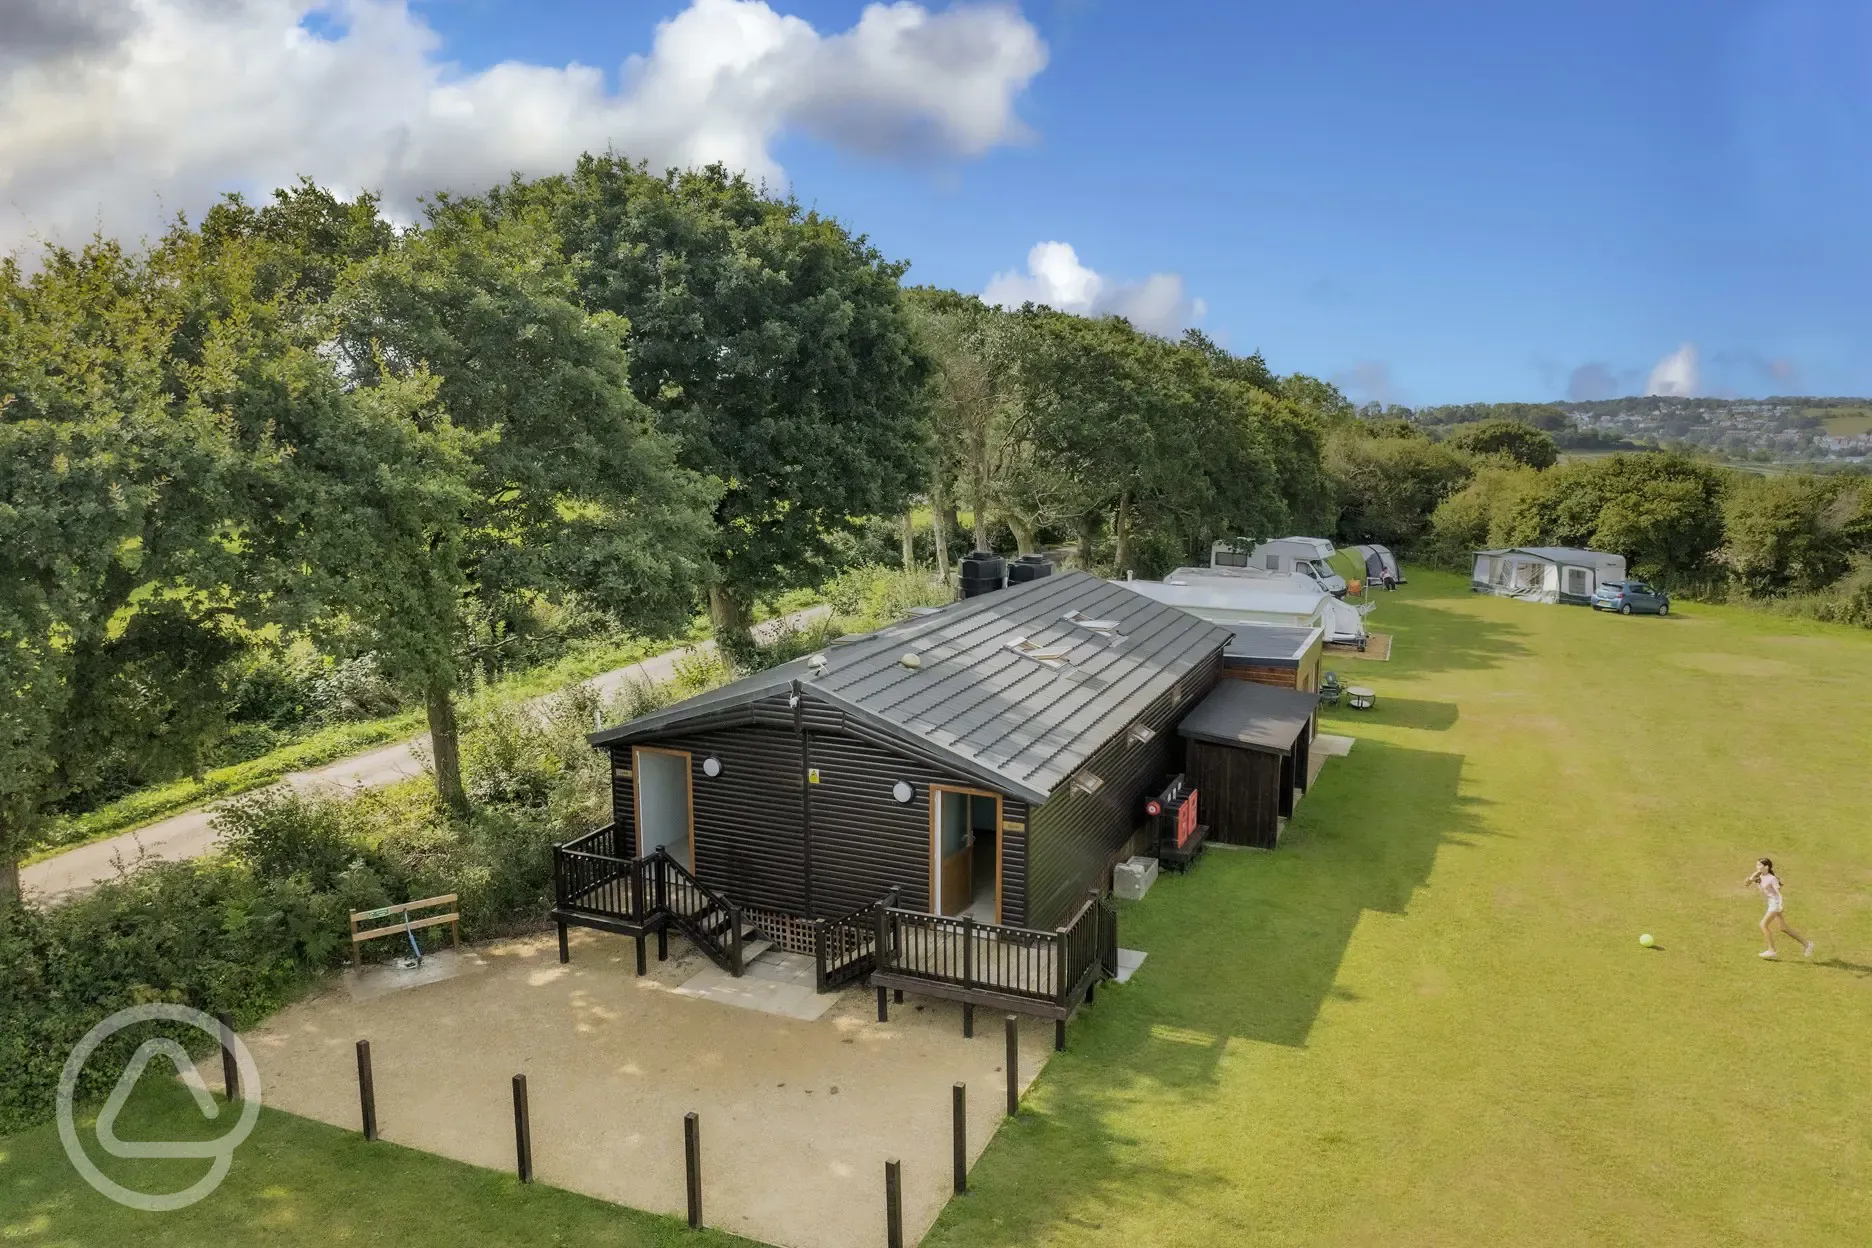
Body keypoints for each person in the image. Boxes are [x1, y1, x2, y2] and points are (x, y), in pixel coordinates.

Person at [1745, 858, 1813, 960]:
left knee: (1763, 925)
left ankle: (1771, 951)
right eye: (1757, 865)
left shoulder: (1772, 879)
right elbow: (1747, 884)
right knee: (1783, 928)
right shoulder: (1759, 876)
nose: (1757, 867)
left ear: (1766, 867)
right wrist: (1754, 875)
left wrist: (1780, 905)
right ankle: (1807, 944)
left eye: (1759, 865)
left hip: (1775, 904)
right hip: (1771, 903)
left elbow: (1779, 894)